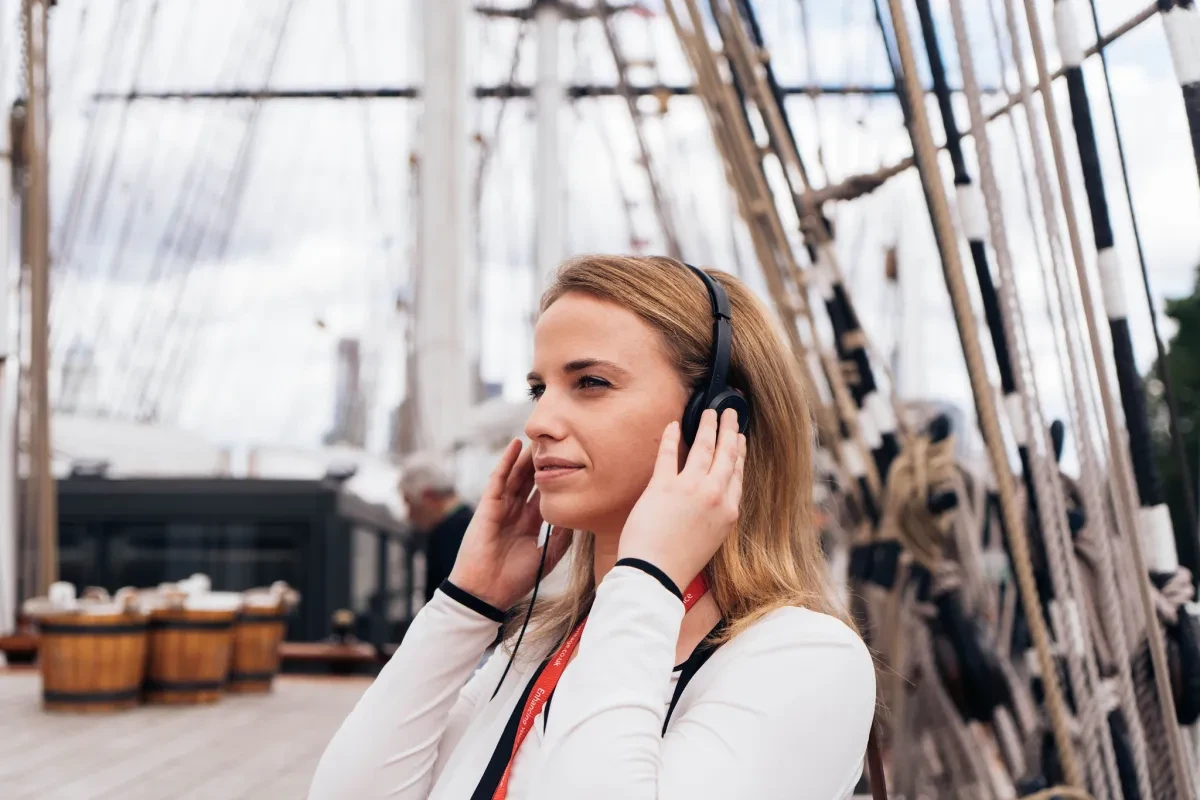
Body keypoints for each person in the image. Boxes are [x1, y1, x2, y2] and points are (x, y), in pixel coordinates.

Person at [309, 255, 878, 799]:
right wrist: (465, 607)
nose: (538, 422)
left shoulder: (803, 658)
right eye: (540, 388)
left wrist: (647, 576)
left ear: (717, 416)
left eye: (590, 383)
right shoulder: (538, 649)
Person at [399, 453, 474, 604]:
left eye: (409, 503)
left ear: (428, 497)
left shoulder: (448, 534)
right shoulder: (471, 523)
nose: (409, 515)